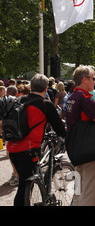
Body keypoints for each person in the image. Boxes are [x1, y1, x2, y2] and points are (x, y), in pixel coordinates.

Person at [7, 74, 66, 206]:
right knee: (24, 188)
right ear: (46, 88)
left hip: (12, 147)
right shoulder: (45, 105)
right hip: (29, 149)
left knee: (23, 182)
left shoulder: (20, 99)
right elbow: (59, 127)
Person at [66, 66, 95, 206]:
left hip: (77, 148)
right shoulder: (85, 98)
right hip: (90, 149)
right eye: (93, 78)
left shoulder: (72, 97)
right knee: (90, 192)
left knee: (79, 191)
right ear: (84, 79)